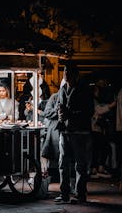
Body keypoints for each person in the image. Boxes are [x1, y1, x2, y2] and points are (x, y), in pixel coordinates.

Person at [54, 62, 94, 204]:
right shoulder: (63, 88)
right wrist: (59, 114)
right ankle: (64, 193)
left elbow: (89, 111)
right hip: (65, 131)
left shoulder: (84, 89)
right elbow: (59, 105)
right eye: (64, 71)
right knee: (62, 164)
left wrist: (70, 113)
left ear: (76, 74)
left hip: (80, 132)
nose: (65, 73)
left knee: (80, 164)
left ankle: (80, 194)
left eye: (68, 71)